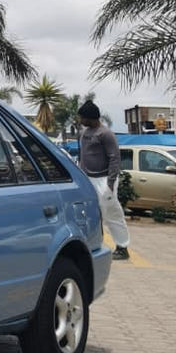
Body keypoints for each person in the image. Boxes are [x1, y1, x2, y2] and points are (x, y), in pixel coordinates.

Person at [78, 100, 131, 261]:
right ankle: (94, 245)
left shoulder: (105, 133)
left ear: (91, 117)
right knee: (90, 214)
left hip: (104, 179)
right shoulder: (84, 133)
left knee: (111, 214)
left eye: (82, 117)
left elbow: (114, 158)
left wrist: (110, 183)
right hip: (88, 179)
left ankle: (122, 247)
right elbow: (83, 156)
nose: (80, 120)